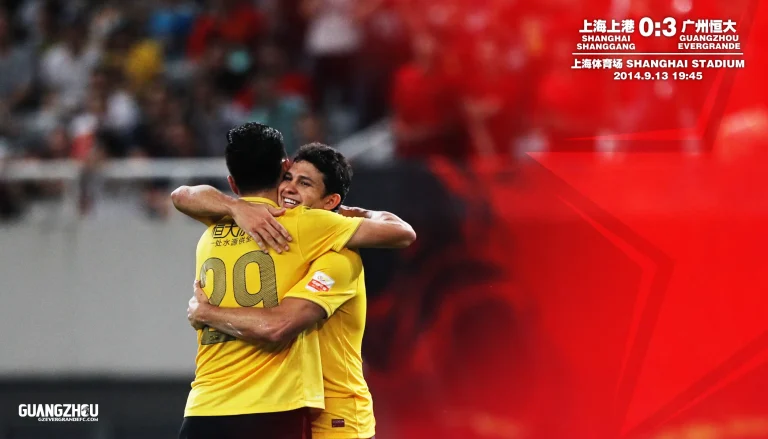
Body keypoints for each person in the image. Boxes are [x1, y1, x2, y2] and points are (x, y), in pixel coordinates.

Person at [171, 123, 415, 439]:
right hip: (288, 407)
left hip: (337, 418)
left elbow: (279, 325)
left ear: (330, 203)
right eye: (289, 178)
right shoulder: (289, 226)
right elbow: (182, 195)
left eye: (304, 183)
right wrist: (236, 206)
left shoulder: (336, 254)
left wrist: (206, 313)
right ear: (281, 168)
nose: (290, 189)